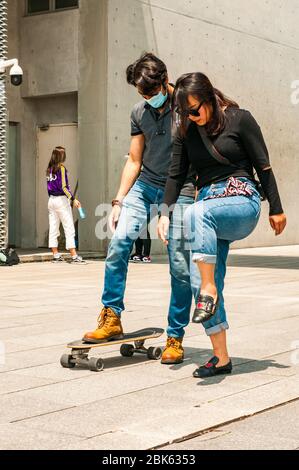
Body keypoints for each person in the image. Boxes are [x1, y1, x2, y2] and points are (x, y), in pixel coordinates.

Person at [158, 72, 287, 378]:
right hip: (207, 208)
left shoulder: (240, 119)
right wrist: (164, 213)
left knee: (195, 214)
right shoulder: (186, 131)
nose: (191, 117)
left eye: (194, 109)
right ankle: (221, 357)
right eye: (184, 112)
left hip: (241, 201)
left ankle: (208, 286)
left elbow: (263, 164)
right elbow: (176, 175)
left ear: (209, 99)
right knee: (197, 280)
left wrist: (277, 208)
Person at [83, 53, 199, 364]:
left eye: (152, 92)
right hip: (146, 185)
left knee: (179, 262)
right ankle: (111, 317)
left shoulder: (187, 106)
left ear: (165, 80)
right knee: (119, 243)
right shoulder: (139, 111)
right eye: (142, 94)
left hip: (182, 188)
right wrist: (119, 200)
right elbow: (135, 160)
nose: (148, 98)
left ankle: (175, 337)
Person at [47, 146, 85, 263]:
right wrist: (73, 199)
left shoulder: (49, 169)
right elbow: (64, 186)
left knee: (53, 228)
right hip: (61, 201)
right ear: (61, 156)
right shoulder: (61, 168)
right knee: (69, 227)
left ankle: (55, 255)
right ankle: (74, 256)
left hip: (51, 200)